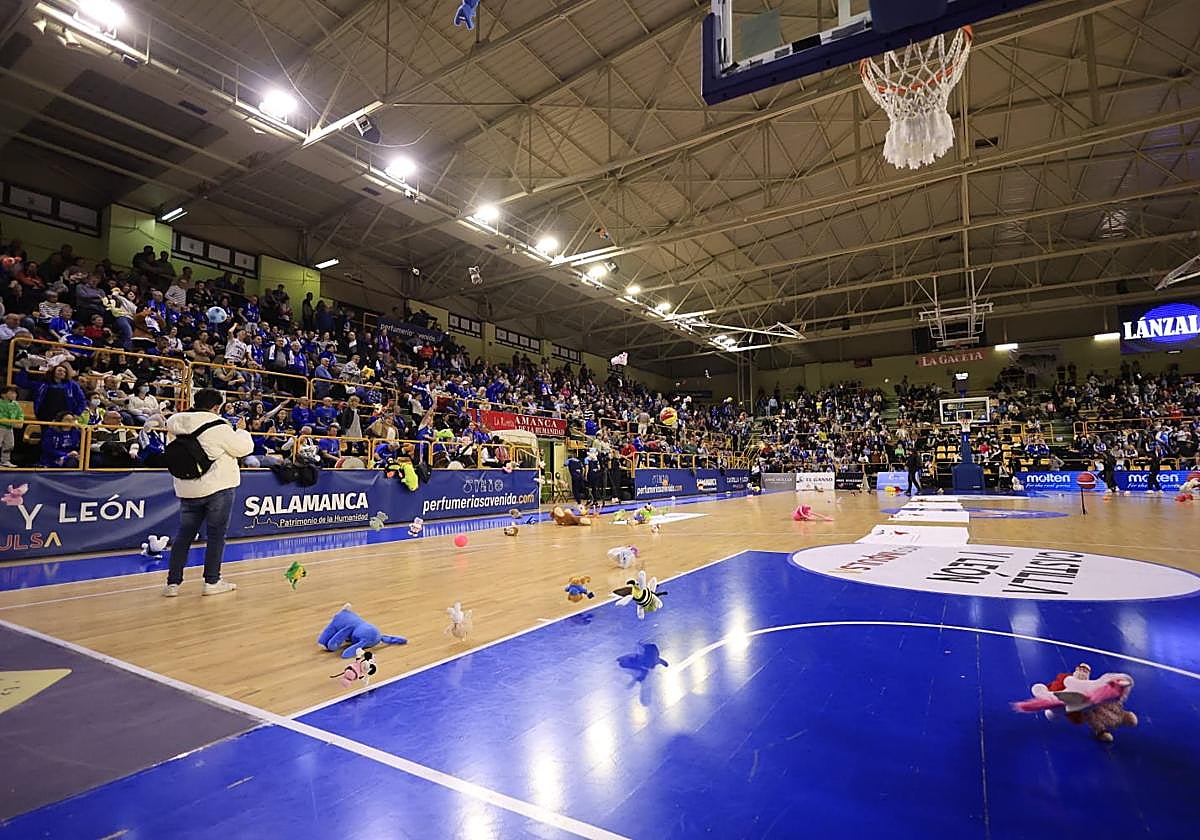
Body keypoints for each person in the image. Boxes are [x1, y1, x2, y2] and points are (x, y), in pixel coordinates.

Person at [163, 388, 253, 597]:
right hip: (217, 486)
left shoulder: (175, 423)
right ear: (216, 407)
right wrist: (241, 430)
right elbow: (242, 448)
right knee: (216, 535)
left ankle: (172, 583)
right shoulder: (218, 425)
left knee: (183, 535)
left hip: (187, 486)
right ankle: (212, 581)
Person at [0, 385, 23, 466]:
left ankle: (5, 461)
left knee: (9, 445)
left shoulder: (16, 404)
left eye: (15, 393)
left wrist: (20, 421)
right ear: (3, 394)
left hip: (9, 429)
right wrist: (11, 423)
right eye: (12, 393)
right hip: (1, 427)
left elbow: (20, 414)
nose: (14, 395)